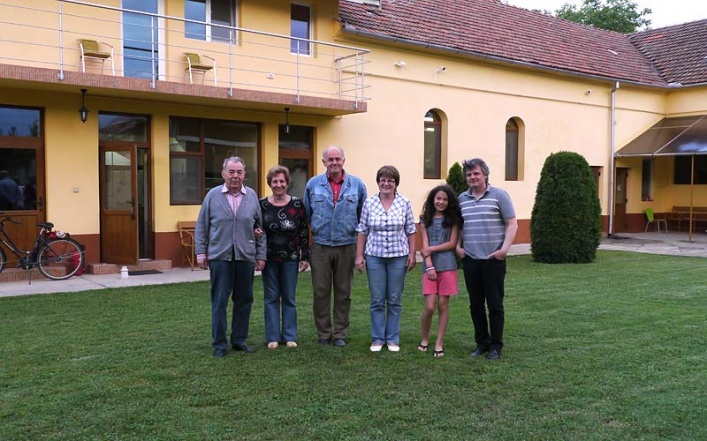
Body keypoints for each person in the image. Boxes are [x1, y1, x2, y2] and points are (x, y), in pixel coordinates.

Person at [195, 156, 267, 358]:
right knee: (219, 301)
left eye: (239, 172)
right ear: (223, 174)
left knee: (244, 300)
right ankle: (219, 344)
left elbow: (260, 227)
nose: (235, 176)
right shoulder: (212, 196)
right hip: (220, 257)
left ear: (244, 174)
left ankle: (239, 340)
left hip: (245, 257)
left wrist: (261, 254)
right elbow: (202, 225)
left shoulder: (252, 196)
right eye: (231, 172)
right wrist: (201, 252)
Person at [303, 146, 367, 347]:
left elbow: (363, 220)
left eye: (337, 159)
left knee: (343, 291)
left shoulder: (357, 185)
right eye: (330, 159)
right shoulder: (313, 184)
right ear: (324, 162)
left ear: (344, 160)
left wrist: (360, 251)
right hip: (320, 246)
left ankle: (339, 333)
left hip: (347, 245)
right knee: (320, 291)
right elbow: (305, 216)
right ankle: (324, 332)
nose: (334, 163)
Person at [456, 158, 517, 360]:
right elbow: (459, 226)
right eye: (469, 174)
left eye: (476, 173)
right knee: (475, 304)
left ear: (485, 175)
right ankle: (481, 343)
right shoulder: (461, 199)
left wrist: (504, 249)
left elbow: (511, 223)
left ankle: (496, 346)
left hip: (494, 259)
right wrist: (458, 247)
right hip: (471, 259)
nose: (472, 177)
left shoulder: (499, 195)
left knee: (495, 304)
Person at [355, 165, 416, 352]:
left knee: (395, 298)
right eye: (383, 180)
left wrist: (413, 254)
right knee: (377, 299)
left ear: (396, 183)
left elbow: (411, 230)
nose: (386, 183)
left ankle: (392, 338)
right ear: (378, 182)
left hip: (398, 257)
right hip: (375, 257)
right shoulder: (369, 202)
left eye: (390, 180)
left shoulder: (404, 202)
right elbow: (362, 230)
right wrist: (359, 255)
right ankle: (378, 338)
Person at [259, 165, 309, 350]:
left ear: (287, 183)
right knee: (271, 297)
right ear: (270, 184)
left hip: (291, 257)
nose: (278, 184)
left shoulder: (297, 204)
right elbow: (257, 229)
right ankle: (272, 336)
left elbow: (303, 229)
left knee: (289, 297)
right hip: (269, 259)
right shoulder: (262, 204)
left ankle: (289, 336)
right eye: (275, 181)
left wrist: (305, 255)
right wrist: (258, 254)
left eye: (282, 181)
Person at [417, 185, 462, 358]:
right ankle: (424, 339)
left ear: (449, 202)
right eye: (438, 198)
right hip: (430, 268)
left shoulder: (453, 220)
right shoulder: (424, 219)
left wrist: (431, 250)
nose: (441, 202)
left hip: (448, 266)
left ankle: (439, 343)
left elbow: (451, 243)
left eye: (445, 199)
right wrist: (429, 266)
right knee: (429, 307)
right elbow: (424, 246)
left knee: (443, 305)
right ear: (432, 200)